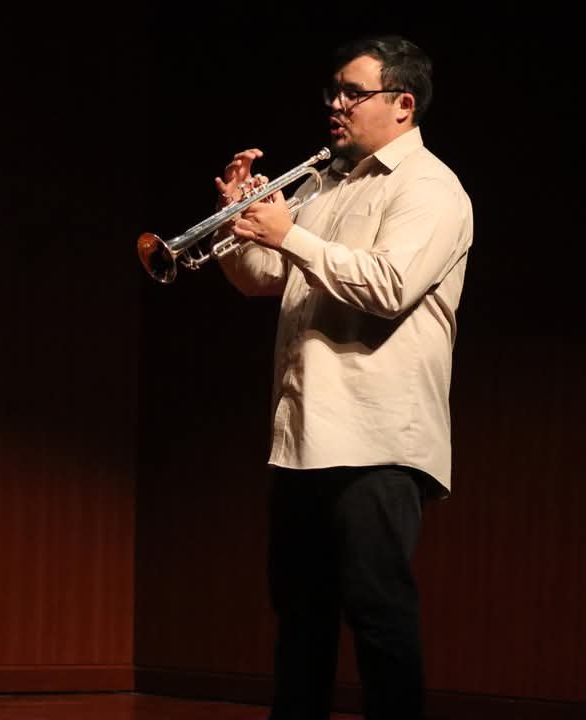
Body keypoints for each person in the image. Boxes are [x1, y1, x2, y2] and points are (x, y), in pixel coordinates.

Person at [214, 36, 473, 720]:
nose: (335, 104)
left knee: (378, 612)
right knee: (300, 618)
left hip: (378, 435)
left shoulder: (431, 188)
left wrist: (291, 236)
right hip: (304, 434)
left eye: (351, 93)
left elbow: (390, 285)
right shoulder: (328, 187)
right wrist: (245, 227)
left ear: (402, 104)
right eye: (332, 90)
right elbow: (261, 280)